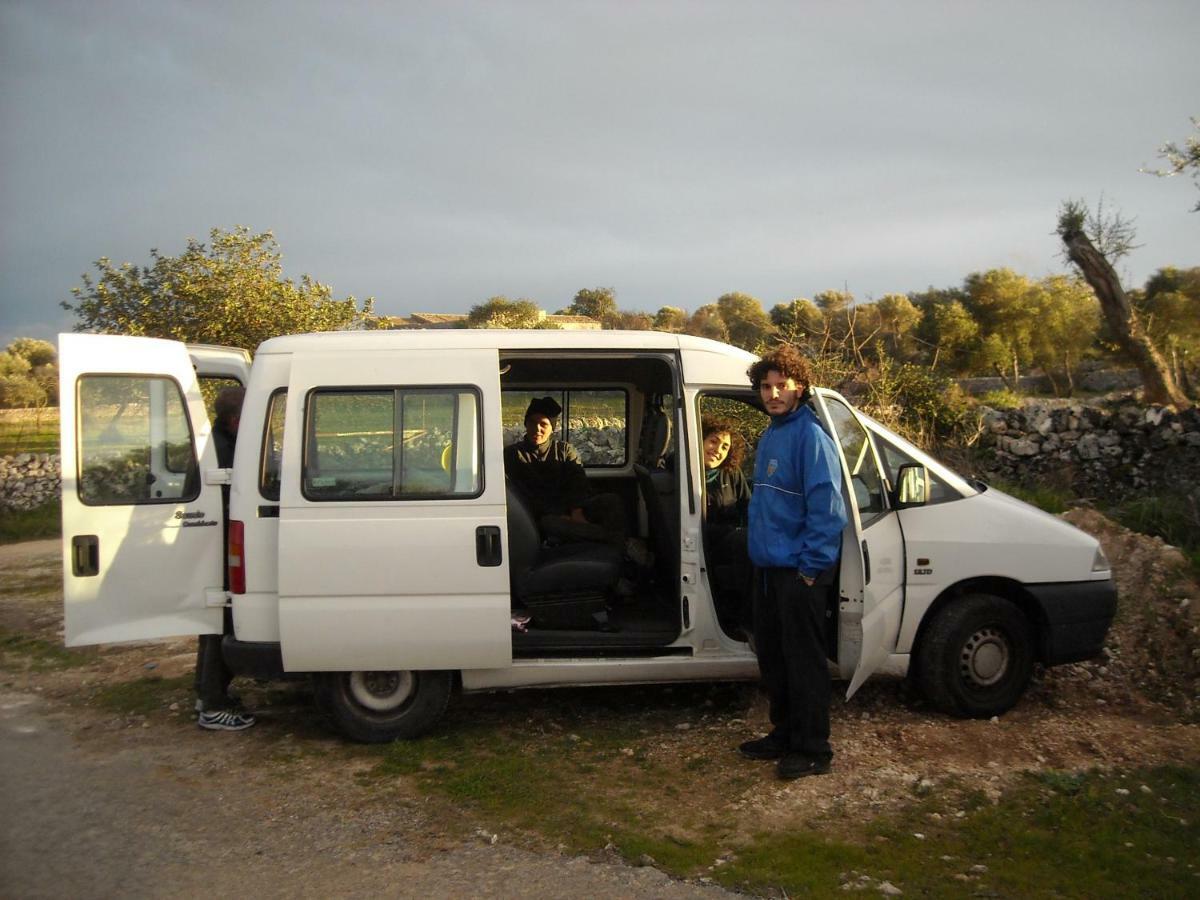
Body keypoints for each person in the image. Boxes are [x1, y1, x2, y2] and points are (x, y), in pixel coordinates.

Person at [738, 346, 847, 779]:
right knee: (775, 658)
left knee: (804, 662)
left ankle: (813, 748)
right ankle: (783, 734)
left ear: (799, 386)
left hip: (798, 572)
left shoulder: (810, 437)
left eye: (781, 385)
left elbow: (828, 511)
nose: (773, 393)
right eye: (766, 386)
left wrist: (809, 570)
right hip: (768, 570)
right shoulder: (772, 433)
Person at [504, 397, 646, 563]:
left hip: (573, 507)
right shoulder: (512, 455)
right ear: (526, 424)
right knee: (550, 523)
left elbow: (578, 482)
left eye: (544, 424)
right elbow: (521, 496)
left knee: (611, 501)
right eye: (533, 422)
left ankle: (616, 559)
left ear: (552, 428)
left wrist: (576, 512)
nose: (537, 429)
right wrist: (559, 514)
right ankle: (624, 544)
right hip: (541, 515)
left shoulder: (564, 450)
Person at [195, 386, 256, 731]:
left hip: (217, 545)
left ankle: (206, 696)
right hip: (222, 546)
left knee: (212, 625)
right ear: (236, 420)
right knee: (221, 625)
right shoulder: (223, 450)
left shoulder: (219, 444)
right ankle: (213, 705)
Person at [701, 416, 752, 632]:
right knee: (743, 541)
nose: (718, 450)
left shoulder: (731, 473)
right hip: (707, 543)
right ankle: (749, 621)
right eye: (713, 441)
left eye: (725, 447)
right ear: (699, 438)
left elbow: (749, 508)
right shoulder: (682, 470)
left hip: (734, 538)